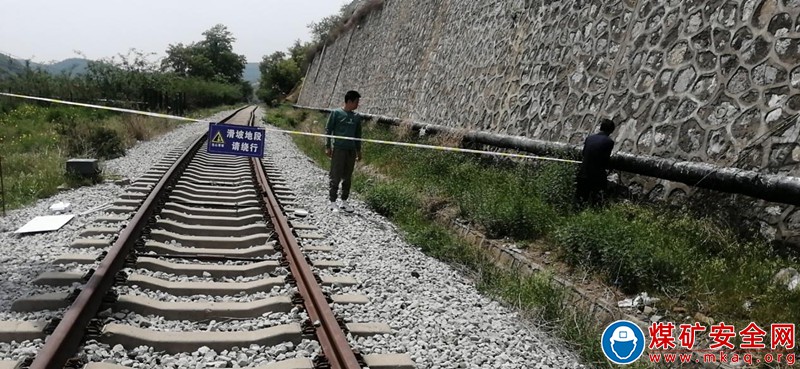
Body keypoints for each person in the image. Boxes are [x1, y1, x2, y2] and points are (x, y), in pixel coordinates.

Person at [325, 90, 363, 213]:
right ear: (350, 101)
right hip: (339, 149)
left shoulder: (356, 117)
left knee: (348, 176)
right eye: (356, 101)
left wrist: (358, 150)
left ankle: (344, 201)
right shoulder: (336, 113)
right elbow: (329, 130)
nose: (358, 104)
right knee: (335, 175)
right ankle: (332, 201)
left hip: (351, 151)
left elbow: (358, 135)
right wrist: (328, 146)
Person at [575, 118, 616, 207]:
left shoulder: (589, 139)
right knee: (597, 202)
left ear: (600, 127)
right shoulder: (609, 142)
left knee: (580, 201)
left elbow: (584, 153)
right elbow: (605, 160)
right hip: (596, 176)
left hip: (583, 173)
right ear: (611, 130)